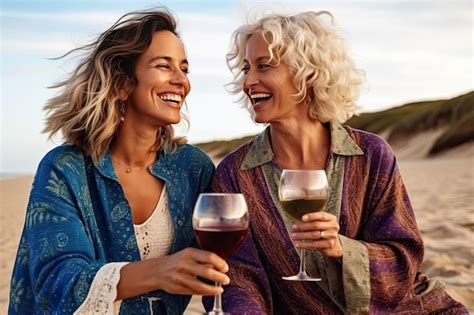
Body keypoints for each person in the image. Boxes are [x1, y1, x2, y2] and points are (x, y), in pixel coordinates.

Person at [207, 11, 468, 314]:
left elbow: (404, 258)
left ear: (309, 73)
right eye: (245, 68)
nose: (248, 81)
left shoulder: (370, 154)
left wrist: (342, 249)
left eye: (264, 66)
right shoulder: (235, 174)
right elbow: (240, 276)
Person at [9, 8, 230, 315]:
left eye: (184, 69)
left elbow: (235, 257)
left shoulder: (193, 168)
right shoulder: (64, 169)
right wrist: (159, 270)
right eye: (164, 66)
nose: (182, 82)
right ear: (122, 83)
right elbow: (58, 281)